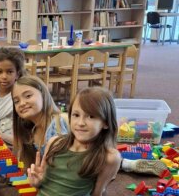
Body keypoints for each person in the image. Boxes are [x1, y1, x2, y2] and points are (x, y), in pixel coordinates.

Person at [12, 75, 167, 176]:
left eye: (28, 96)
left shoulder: (61, 121)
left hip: (87, 168)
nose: (22, 103)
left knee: (110, 161)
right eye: (16, 101)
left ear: (43, 94)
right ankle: (124, 163)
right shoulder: (29, 133)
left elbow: (92, 146)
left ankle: (127, 163)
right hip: (62, 172)